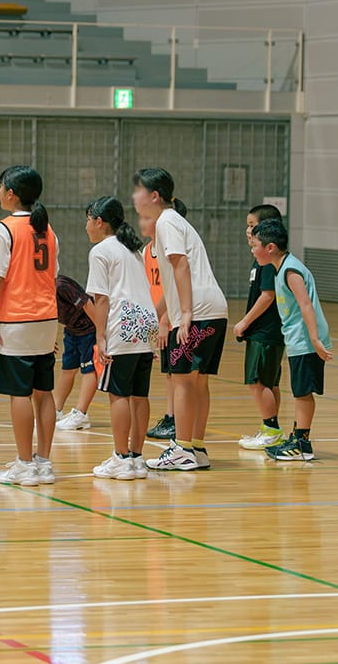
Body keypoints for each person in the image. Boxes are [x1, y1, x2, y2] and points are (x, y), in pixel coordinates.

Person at [132, 168, 228, 472]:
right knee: (198, 382)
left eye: (138, 190)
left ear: (154, 196)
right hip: (213, 308)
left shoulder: (167, 223)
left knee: (183, 381)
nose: (134, 196)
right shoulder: (174, 222)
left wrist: (185, 313)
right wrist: (157, 314)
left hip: (197, 310)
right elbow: (172, 285)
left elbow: (181, 266)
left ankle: (182, 448)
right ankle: (196, 448)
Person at [0, 165, 59, 487]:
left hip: (17, 320)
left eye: (1, 187)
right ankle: (43, 462)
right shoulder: (48, 230)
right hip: (47, 318)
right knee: (44, 392)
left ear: (11, 193)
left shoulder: (5, 229)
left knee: (19, 394)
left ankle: (25, 465)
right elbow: (54, 276)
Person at [84, 198, 159, 481]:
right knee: (140, 394)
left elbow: (100, 298)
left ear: (99, 221)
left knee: (119, 393)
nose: (87, 226)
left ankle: (121, 458)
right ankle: (137, 458)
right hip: (146, 323)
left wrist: (100, 337)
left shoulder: (101, 251)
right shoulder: (133, 249)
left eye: (89, 219)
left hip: (123, 325)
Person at [251, 218, 332, 462]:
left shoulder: (290, 270)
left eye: (255, 245)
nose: (252, 249)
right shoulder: (280, 267)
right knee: (300, 390)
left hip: (306, 340)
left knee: (303, 392)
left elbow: (306, 304)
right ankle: (298, 437)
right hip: (298, 339)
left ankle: (302, 444)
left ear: (270, 247)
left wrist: (315, 339)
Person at [235, 204, 287, 450]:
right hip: (268, 332)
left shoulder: (267, 261)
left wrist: (245, 321)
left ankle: (272, 430)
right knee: (270, 382)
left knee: (257, 382)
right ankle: (270, 428)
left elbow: (268, 295)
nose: (248, 231)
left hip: (265, 331)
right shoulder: (262, 259)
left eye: (252, 226)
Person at [141, 213, 176, 441]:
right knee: (169, 374)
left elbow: (173, 287)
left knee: (176, 374)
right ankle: (171, 416)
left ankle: (174, 419)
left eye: (147, 218)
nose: (143, 222)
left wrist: (164, 321)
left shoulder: (168, 250)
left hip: (173, 320)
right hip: (159, 320)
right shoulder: (147, 251)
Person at [54, 274, 99, 431]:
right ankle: (55, 411)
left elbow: (87, 304)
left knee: (89, 369)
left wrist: (101, 333)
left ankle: (81, 414)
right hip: (72, 330)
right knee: (67, 369)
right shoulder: (38, 291)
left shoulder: (61, 286)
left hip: (89, 329)